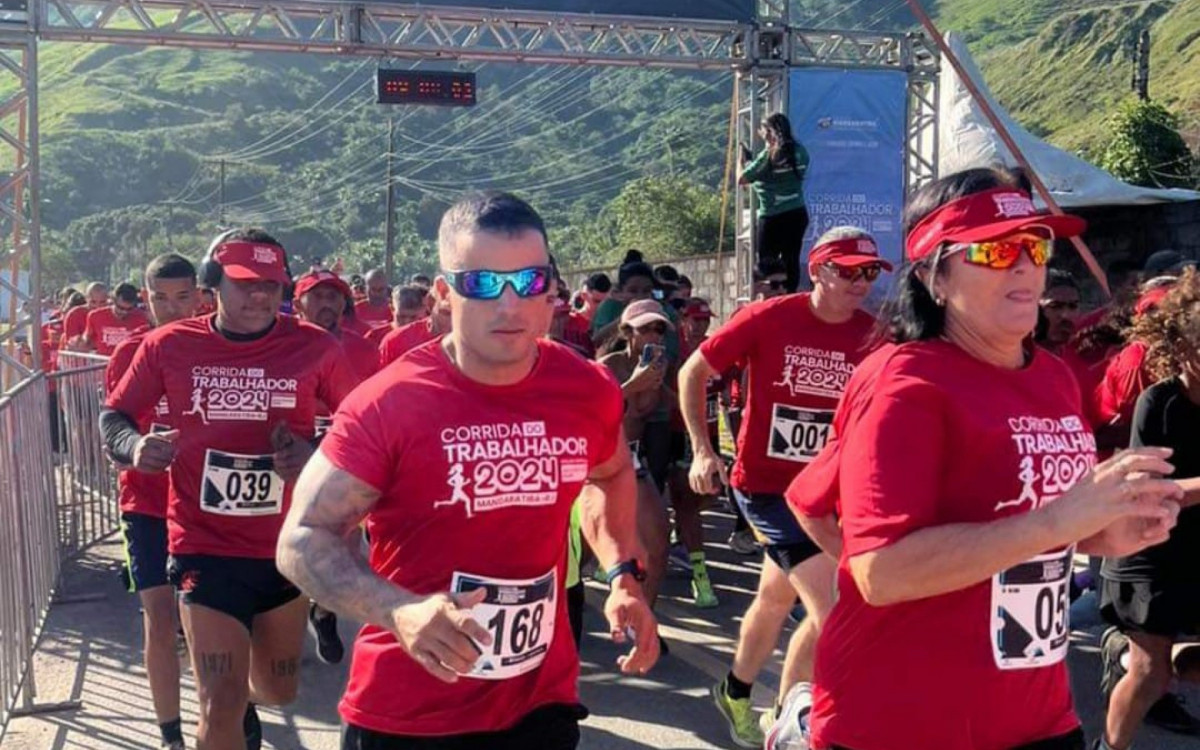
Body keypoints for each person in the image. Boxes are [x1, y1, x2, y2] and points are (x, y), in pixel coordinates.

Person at [787, 167, 1183, 750]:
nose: (1025, 265)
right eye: (996, 250)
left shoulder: (1051, 377)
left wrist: (1108, 532)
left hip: (1039, 713)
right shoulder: (903, 383)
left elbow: (1040, 517)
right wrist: (1050, 525)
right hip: (903, 721)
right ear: (933, 275)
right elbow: (878, 569)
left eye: (1035, 246)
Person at [275, 191, 659, 750]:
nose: (509, 305)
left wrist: (621, 573)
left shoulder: (586, 389)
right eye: (481, 283)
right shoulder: (390, 403)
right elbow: (301, 538)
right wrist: (399, 610)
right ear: (443, 293)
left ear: (551, 289)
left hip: (538, 703)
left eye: (528, 281)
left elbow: (609, 473)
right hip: (409, 715)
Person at [101, 228, 360, 750]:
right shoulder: (169, 346)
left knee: (278, 689)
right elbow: (115, 416)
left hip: (285, 546)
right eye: (244, 283)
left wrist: (315, 452)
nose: (259, 295)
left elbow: (361, 424)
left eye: (270, 284)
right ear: (213, 284)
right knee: (218, 702)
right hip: (203, 546)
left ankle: (245, 699)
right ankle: (227, 707)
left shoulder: (314, 346)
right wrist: (134, 447)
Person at [680, 226, 885, 747]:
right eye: (848, 271)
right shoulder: (769, 317)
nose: (860, 283)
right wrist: (703, 450)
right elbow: (692, 372)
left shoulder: (876, 335)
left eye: (869, 272)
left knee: (775, 599)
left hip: (830, 495)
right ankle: (792, 721)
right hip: (768, 490)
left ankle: (738, 692)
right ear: (816, 270)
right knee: (834, 607)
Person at [1098, 268, 1200, 749]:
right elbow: (1148, 492)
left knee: (1164, 665)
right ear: (1181, 348)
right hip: (1148, 552)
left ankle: (1131, 651)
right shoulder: (1158, 403)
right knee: (1148, 673)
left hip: (1193, 545)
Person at [105, 254, 199, 750]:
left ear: (200, 296)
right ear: (146, 299)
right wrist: (135, 447)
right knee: (159, 618)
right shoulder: (130, 354)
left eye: (182, 297)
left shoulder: (219, 348)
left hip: (205, 508)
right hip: (145, 504)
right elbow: (114, 425)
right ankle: (170, 734)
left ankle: (231, 711)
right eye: (161, 298)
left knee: (206, 619)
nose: (172, 308)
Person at [290, 268, 379, 667]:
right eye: (318, 296)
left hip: (345, 458)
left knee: (341, 542)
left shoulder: (363, 348)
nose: (327, 304)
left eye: (334, 297)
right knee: (291, 542)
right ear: (299, 303)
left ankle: (322, 611)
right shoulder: (282, 344)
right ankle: (282, 627)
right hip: (289, 457)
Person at [597, 299, 675, 615]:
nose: (654, 335)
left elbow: (672, 404)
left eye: (660, 329)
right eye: (646, 329)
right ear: (628, 332)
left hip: (632, 458)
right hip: (598, 459)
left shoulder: (660, 365)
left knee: (659, 542)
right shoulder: (608, 365)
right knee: (576, 551)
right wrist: (633, 385)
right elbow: (593, 410)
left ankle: (645, 620)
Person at [667, 298, 720, 608]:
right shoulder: (676, 349)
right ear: (683, 320)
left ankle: (679, 541)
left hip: (709, 435)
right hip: (678, 434)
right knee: (686, 502)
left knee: (710, 496)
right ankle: (700, 577)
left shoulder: (715, 348)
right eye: (695, 319)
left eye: (705, 319)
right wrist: (681, 404)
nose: (701, 325)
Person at [740, 113, 811, 293]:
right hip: (797, 213)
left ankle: (770, 296)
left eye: (762, 130)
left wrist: (744, 163)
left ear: (769, 132)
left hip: (773, 216)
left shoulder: (769, 155)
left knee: (767, 263)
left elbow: (743, 179)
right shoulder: (801, 152)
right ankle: (789, 295)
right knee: (791, 258)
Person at [378, 295, 452, 367]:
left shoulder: (459, 344)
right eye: (446, 313)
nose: (452, 320)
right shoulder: (394, 341)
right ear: (430, 304)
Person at [84, 282, 150, 356]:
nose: (124, 312)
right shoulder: (95, 316)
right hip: (103, 362)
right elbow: (87, 340)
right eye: (120, 308)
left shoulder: (142, 317)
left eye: (129, 309)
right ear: (113, 300)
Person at [62, 281, 108, 348]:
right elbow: (74, 345)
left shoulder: (113, 314)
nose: (98, 306)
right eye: (93, 302)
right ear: (86, 298)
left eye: (102, 302)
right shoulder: (74, 314)